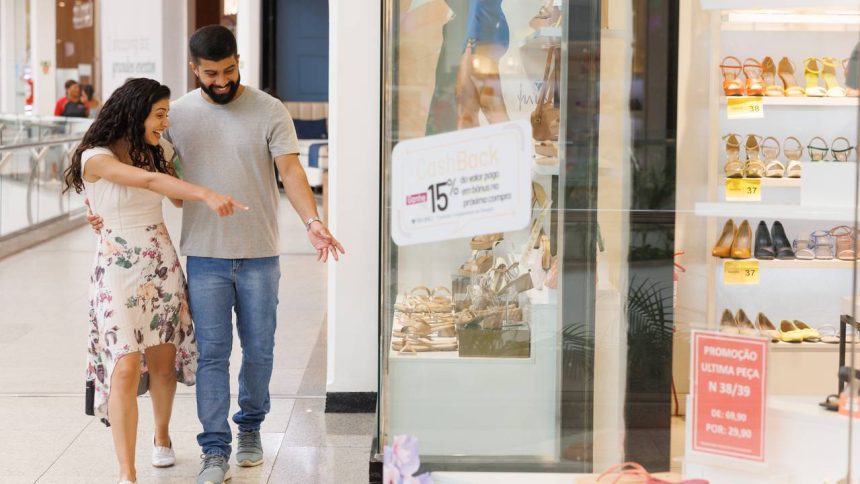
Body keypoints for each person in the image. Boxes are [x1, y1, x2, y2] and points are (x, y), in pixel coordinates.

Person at [88, 25, 344, 484]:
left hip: (261, 253)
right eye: (211, 73)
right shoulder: (176, 115)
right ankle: (214, 448)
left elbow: (290, 169)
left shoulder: (269, 110)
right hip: (203, 256)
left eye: (229, 69)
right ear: (195, 69)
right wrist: (99, 209)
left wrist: (313, 222)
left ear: (239, 60)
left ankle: (249, 427)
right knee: (211, 355)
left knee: (260, 350)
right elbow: (144, 170)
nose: (222, 80)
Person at [66, 78, 247, 484]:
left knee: (164, 364)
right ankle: (127, 473)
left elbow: (174, 196)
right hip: (116, 266)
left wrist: (181, 162)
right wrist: (205, 193)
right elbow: (147, 183)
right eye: (159, 114)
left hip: (159, 261)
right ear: (134, 112)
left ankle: (161, 436)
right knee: (126, 367)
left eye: (167, 114)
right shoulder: (95, 157)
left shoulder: (161, 151)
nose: (165, 122)